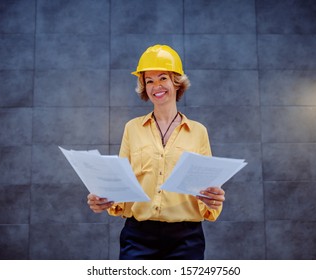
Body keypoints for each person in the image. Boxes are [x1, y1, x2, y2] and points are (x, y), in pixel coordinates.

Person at [87, 44, 225, 260]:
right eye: (149, 81)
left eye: (163, 78)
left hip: (186, 239)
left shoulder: (198, 132)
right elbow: (121, 182)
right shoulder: (132, 128)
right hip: (138, 236)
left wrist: (213, 199)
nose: (156, 86)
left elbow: (206, 187)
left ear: (176, 82)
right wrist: (104, 197)